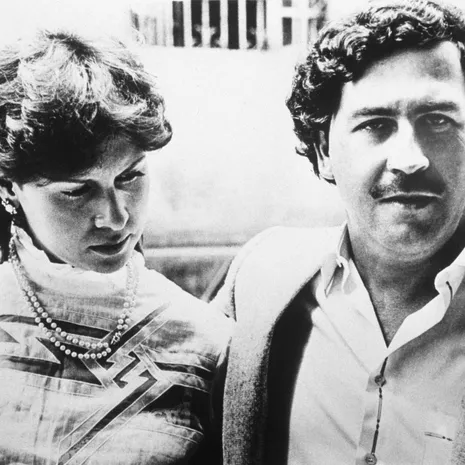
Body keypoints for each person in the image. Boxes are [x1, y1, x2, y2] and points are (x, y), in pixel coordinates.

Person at [215, 0, 465, 464]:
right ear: (322, 151)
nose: (410, 159)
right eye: (376, 125)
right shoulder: (262, 278)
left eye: (438, 120)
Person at [0, 29, 231, 464]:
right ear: (9, 188)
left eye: (130, 176)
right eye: (76, 191)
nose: (116, 217)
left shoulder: (206, 341)